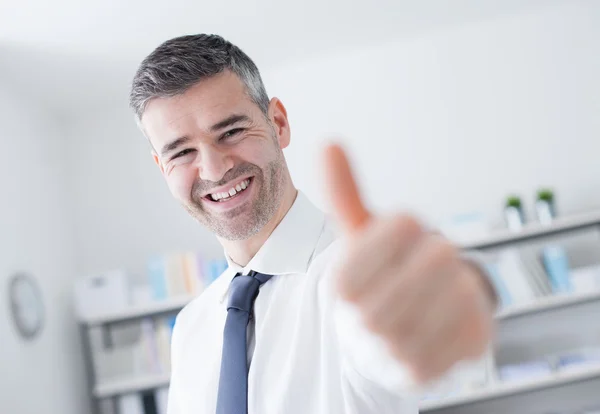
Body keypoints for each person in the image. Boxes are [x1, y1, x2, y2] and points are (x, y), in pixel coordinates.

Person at [130, 34, 497, 414]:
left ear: (278, 123)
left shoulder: (358, 282)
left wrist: (428, 318)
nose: (214, 168)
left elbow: (391, 348)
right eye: (182, 152)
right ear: (162, 168)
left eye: (231, 132)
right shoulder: (191, 328)